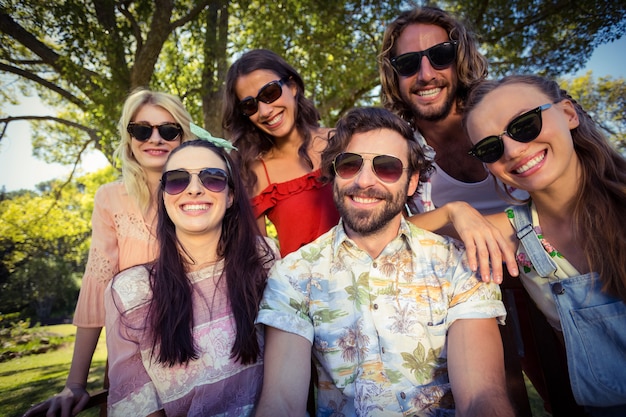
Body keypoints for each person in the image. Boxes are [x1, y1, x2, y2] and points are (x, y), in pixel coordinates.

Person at [254, 107, 515, 417]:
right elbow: (281, 403)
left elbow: (481, 396)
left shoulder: (457, 262)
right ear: (333, 173)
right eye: (350, 165)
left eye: (387, 168)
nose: (364, 181)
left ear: (411, 181)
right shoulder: (294, 275)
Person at [459, 74, 626, 416]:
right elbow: (400, 233)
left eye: (525, 124)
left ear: (568, 114)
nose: (513, 150)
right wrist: (454, 210)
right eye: (490, 147)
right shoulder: (515, 229)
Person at [23, 88, 194, 417]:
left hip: (196, 353)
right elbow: (97, 281)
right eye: (141, 129)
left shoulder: (204, 192)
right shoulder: (109, 199)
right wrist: (75, 382)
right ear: (128, 137)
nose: (154, 139)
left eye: (168, 130)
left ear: (182, 137)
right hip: (131, 360)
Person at [105, 139, 277, 416]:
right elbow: (138, 407)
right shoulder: (130, 292)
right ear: (163, 195)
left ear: (231, 196)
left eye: (212, 178)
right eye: (177, 180)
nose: (195, 189)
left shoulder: (266, 260)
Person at [222, 48, 339, 257]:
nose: (265, 111)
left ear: (292, 86)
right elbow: (260, 262)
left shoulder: (344, 140)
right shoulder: (253, 173)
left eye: (269, 93)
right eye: (250, 105)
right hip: (302, 288)